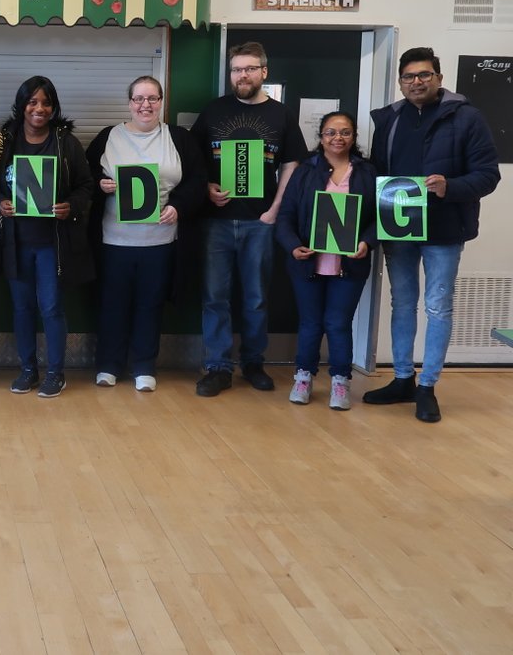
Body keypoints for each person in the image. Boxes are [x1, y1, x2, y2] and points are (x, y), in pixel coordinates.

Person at [363, 47, 500, 422]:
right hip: (398, 227)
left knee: (438, 306)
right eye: (409, 77)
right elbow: (377, 172)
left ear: (439, 77)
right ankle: (403, 379)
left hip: (444, 228)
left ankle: (428, 386)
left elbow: (489, 175)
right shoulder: (389, 119)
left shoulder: (466, 117)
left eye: (424, 75)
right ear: (401, 82)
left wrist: (449, 186)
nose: (416, 82)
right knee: (401, 303)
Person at [191, 41, 306, 397]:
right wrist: (207, 186)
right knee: (215, 297)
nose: (243, 75)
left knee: (256, 297)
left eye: (250, 69)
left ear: (263, 72)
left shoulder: (281, 114)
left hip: (261, 221)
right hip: (216, 222)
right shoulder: (213, 111)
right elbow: (191, 161)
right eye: (237, 69)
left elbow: (292, 163)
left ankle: (254, 363)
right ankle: (218, 366)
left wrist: (275, 210)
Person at [86, 76, 205, 392]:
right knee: (112, 304)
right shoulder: (108, 137)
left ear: (161, 101)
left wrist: (178, 206)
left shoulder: (178, 138)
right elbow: (84, 179)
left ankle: (144, 366)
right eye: (138, 98)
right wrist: (100, 185)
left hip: (161, 241)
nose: (145, 105)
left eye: (152, 98)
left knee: (150, 304)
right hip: (114, 241)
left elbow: (196, 182)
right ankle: (108, 365)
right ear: (129, 103)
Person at [0, 75, 93, 398]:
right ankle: (28, 369)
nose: (39, 108)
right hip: (15, 241)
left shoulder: (65, 142)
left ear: (54, 107)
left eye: (45, 102)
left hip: (52, 243)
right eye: (32, 102)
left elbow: (87, 186)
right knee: (21, 307)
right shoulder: (4, 140)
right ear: (21, 105)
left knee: (52, 307)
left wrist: (69, 206)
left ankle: (56, 372)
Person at [276, 111, 377, 410]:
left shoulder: (368, 173)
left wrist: (367, 242)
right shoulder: (304, 171)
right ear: (320, 137)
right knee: (310, 323)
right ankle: (303, 377)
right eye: (331, 132)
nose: (338, 138)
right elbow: (285, 217)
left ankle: (340, 383)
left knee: (338, 323)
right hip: (308, 263)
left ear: (354, 137)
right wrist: (293, 246)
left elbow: (379, 218)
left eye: (345, 132)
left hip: (350, 264)